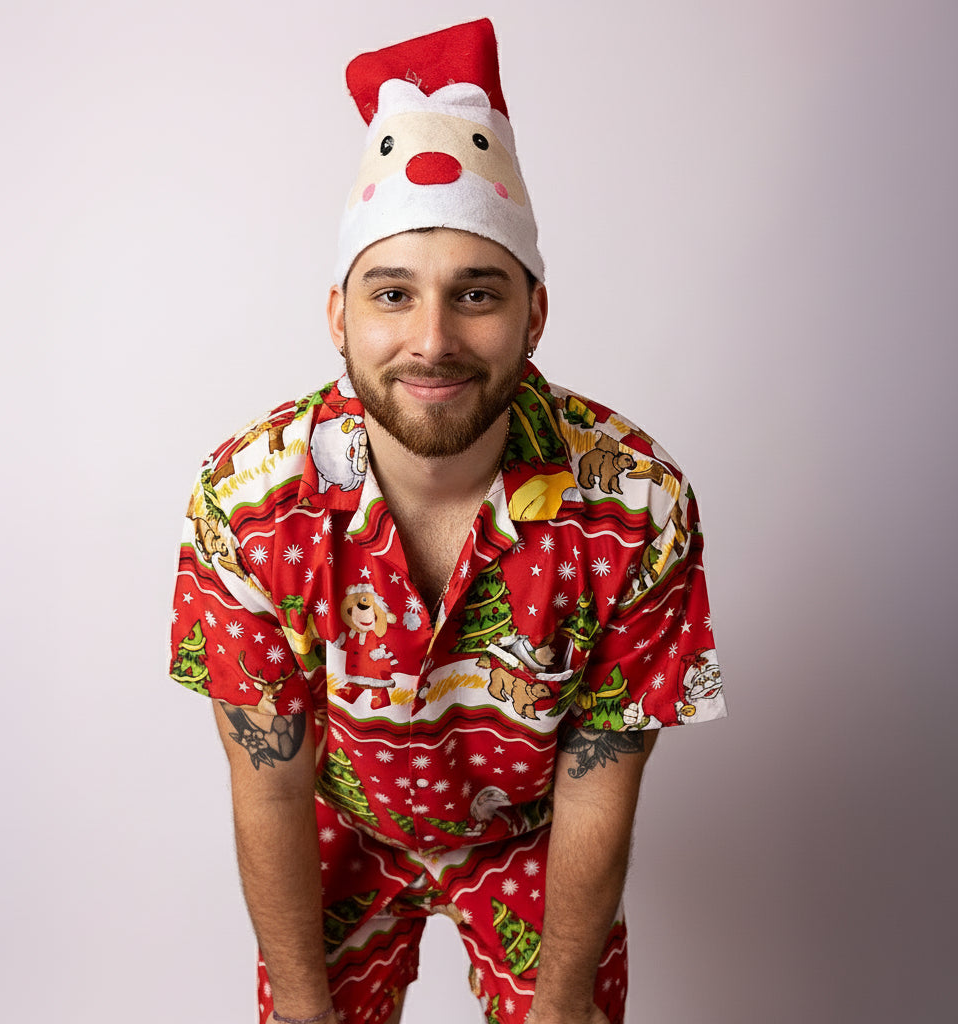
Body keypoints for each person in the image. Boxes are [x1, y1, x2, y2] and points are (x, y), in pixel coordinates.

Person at [168, 19, 726, 1024]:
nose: (432, 340)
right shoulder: (246, 503)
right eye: (393, 295)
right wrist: (302, 1010)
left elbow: (600, 786)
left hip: (535, 834)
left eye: (476, 294)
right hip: (336, 824)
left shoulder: (637, 504)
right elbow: (269, 783)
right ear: (339, 316)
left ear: (533, 316)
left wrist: (561, 1006)